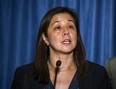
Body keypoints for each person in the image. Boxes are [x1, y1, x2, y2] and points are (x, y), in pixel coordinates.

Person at [11, 6, 112, 89]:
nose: (66, 31)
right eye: (58, 27)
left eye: (70, 26)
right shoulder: (24, 75)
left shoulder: (98, 74)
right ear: (45, 38)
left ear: (77, 35)